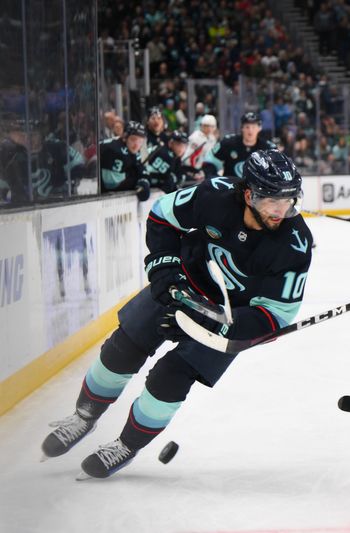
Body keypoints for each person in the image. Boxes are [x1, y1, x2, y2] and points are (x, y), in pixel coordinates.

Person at [40, 149, 313, 479]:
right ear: (248, 193)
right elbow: (161, 216)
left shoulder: (295, 244)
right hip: (183, 283)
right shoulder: (214, 195)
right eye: (272, 200)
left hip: (228, 317)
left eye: (288, 201)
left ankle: (126, 445)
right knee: (122, 348)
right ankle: (84, 415)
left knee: (170, 377)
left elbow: (275, 316)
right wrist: (167, 276)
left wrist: (217, 321)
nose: (280, 211)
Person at [202, 112, 274, 179]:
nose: (250, 131)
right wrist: (215, 179)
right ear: (242, 128)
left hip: (257, 191)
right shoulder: (228, 143)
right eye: (247, 127)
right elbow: (210, 161)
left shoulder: (268, 148)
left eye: (253, 127)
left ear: (259, 128)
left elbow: (277, 170)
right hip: (230, 189)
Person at [99, 121, 148, 196]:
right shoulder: (113, 150)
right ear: (125, 137)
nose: (137, 145)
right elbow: (111, 185)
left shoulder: (130, 149)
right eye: (133, 139)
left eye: (140, 141)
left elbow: (139, 168)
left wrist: (143, 180)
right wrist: (138, 183)